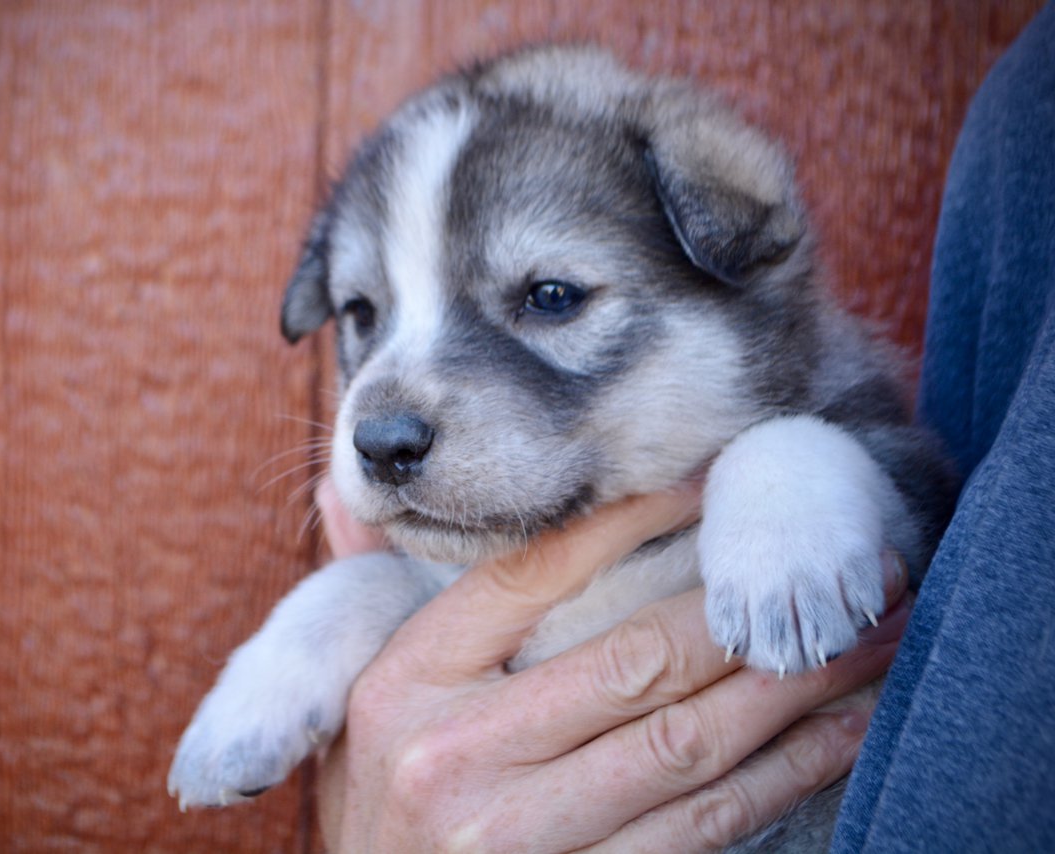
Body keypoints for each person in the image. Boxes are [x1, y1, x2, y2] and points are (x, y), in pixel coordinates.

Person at [312, 5, 1055, 850]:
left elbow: (933, 544)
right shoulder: (1023, 137)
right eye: (365, 311)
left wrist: (787, 467)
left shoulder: (799, 465)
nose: (387, 415)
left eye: (551, 297)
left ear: (732, 272)